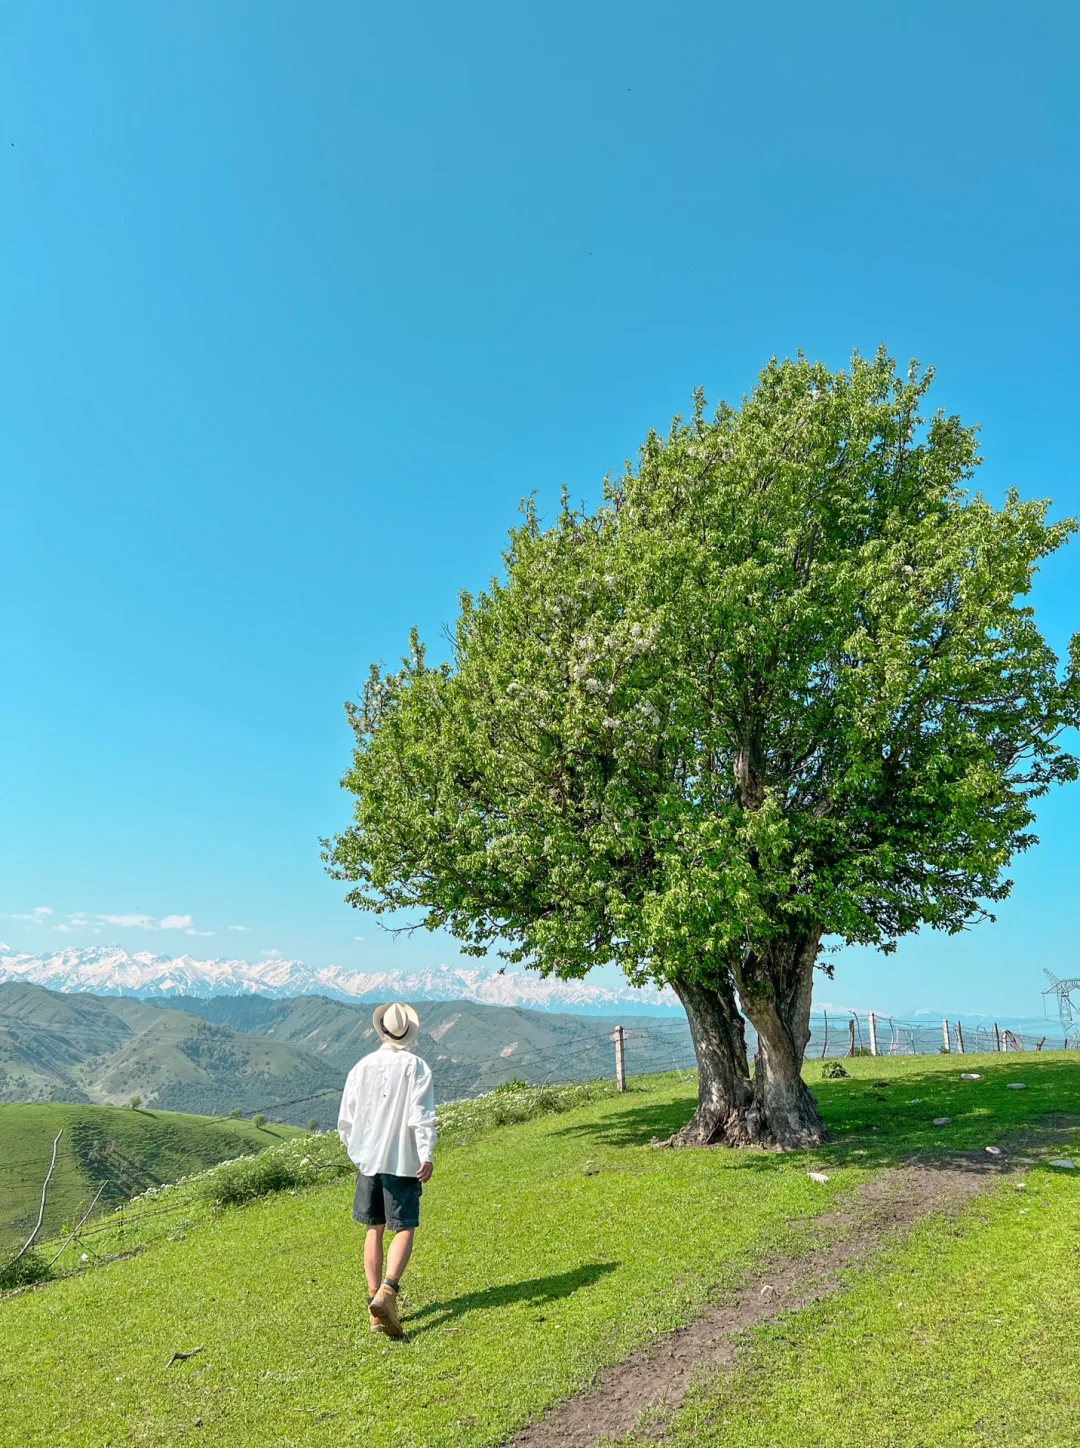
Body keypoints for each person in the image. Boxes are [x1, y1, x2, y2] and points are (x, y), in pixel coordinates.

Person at [337, 1001, 436, 1339]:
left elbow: (346, 1120)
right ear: (409, 1032)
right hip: (402, 1159)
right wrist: (426, 1154)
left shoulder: (360, 1067)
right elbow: (421, 1116)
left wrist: (359, 1153)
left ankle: (372, 1301)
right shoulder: (417, 1067)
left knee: (373, 1228)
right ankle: (389, 1291)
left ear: (381, 1030)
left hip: (370, 1159)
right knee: (405, 1226)